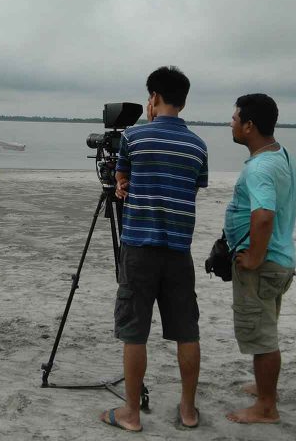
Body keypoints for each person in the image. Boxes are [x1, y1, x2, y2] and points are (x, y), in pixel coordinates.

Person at [99, 66, 208, 432]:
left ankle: (130, 413)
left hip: (139, 246)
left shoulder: (134, 137)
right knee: (186, 330)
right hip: (179, 248)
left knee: (134, 330)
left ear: (154, 98)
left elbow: (122, 180)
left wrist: (122, 184)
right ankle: (188, 410)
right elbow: (190, 190)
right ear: (184, 99)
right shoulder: (198, 145)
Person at [223, 93, 296, 424]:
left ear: (250, 126)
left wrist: (253, 257)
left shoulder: (261, 167)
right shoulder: (280, 154)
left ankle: (266, 406)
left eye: (235, 118)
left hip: (264, 264)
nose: (232, 123)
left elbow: (264, 215)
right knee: (265, 325)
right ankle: (263, 387)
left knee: (261, 334)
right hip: (280, 258)